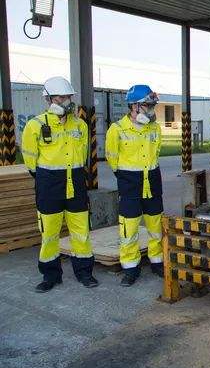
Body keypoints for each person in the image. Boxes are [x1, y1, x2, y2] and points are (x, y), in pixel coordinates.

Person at [21, 76, 98, 292]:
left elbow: (83, 155)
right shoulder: (35, 125)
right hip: (48, 185)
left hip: (75, 182)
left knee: (81, 232)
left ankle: (85, 273)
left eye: (68, 97)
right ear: (49, 99)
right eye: (61, 97)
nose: (66, 101)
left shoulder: (80, 125)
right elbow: (30, 159)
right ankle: (50, 276)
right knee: (49, 234)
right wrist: (46, 178)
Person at [105, 84, 164, 286]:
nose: (151, 110)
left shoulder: (155, 128)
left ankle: (157, 262)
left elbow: (155, 153)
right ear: (134, 106)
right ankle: (130, 268)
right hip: (130, 183)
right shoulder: (117, 129)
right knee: (129, 229)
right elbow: (112, 159)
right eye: (147, 105)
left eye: (152, 106)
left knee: (156, 226)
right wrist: (127, 176)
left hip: (153, 181)